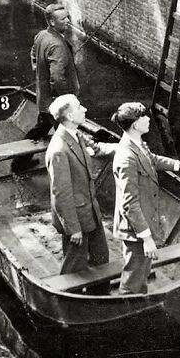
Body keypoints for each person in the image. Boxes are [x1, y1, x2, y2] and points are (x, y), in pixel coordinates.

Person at [111, 102, 180, 294]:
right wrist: (147, 239)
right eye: (144, 116)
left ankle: (139, 300)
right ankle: (128, 305)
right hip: (135, 229)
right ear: (135, 125)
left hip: (143, 222)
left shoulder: (136, 143)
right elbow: (130, 204)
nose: (148, 119)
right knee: (133, 279)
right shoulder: (127, 158)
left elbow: (152, 160)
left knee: (141, 272)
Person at [46, 94, 116, 275]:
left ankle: (100, 291)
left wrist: (126, 147)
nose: (84, 109)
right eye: (79, 107)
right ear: (70, 116)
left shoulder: (76, 135)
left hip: (91, 211)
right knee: (74, 267)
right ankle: (66, 293)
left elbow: (98, 149)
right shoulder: (59, 150)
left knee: (101, 260)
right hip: (76, 219)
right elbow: (61, 194)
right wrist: (73, 228)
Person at [17, 3, 80, 172]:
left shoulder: (42, 35)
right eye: (63, 19)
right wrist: (68, 102)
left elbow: (33, 52)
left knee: (41, 129)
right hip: (56, 104)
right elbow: (57, 78)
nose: (68, 21)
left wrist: (37, 68)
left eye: (67, 17)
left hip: (44, 99)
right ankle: (71, 170)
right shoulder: (57, 45)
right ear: (52, 22)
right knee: (68, 137)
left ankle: (19, 164)